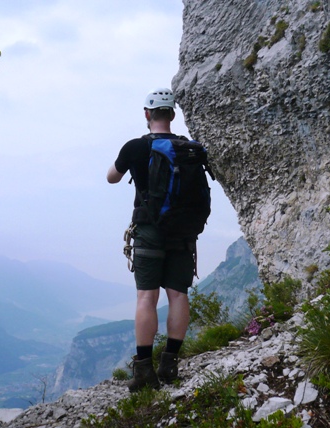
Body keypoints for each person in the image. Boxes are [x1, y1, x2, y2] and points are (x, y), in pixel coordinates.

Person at [107, 88, 196, 392]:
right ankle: (170, 363)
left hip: (148, 230)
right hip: (184, 232)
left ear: (147, 114)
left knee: (147, 297)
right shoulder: (189, 149)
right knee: (178, 295)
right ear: (172, 114)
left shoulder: (135, 147)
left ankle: (144, 370)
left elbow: (111, 177)